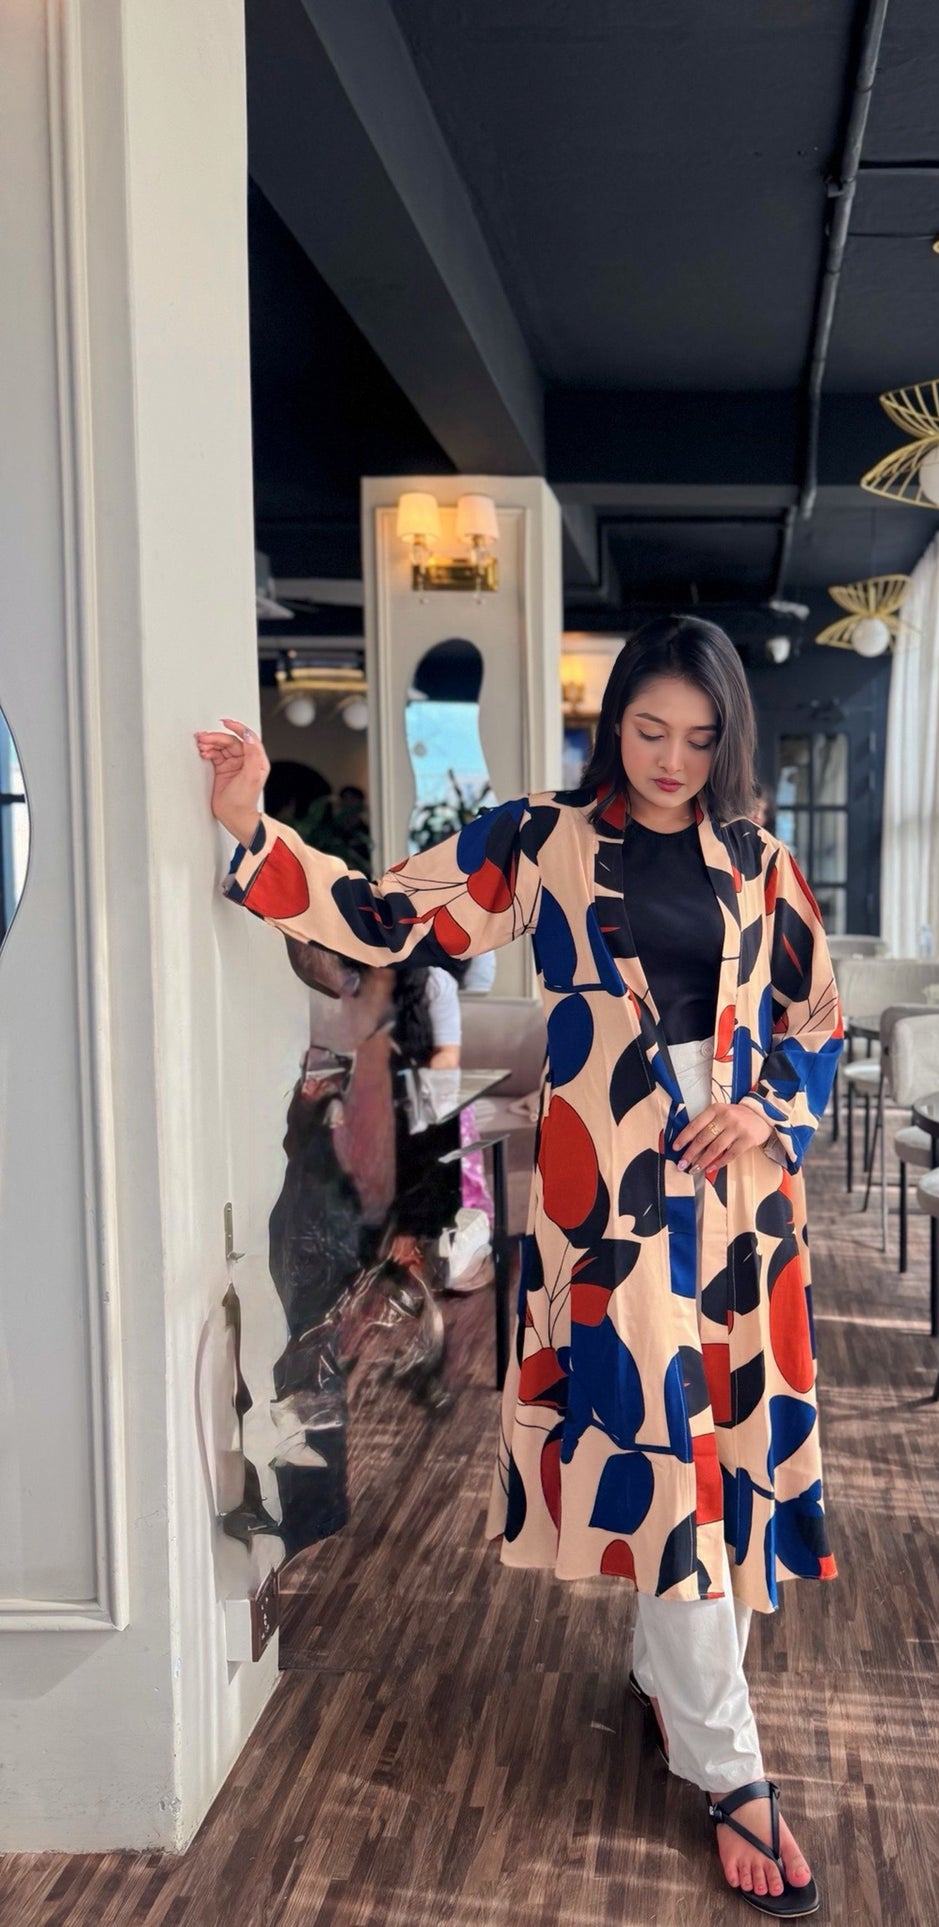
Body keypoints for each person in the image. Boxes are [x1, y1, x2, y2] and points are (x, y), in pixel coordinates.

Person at [196, 615, 842, 1918]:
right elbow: (382, 915)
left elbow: (816, 1021)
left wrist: (773, 1107)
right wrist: (253, 830)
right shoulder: (536, 839)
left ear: (728, 741)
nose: (670, 758)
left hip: (744, 1200)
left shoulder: (761, 863)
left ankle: (674, 1689)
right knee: (667, 1464)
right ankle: (732, 1772)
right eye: (648, 730)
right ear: (615, 726)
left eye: (698, 737)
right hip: (609, 1198)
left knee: (717, 1461)